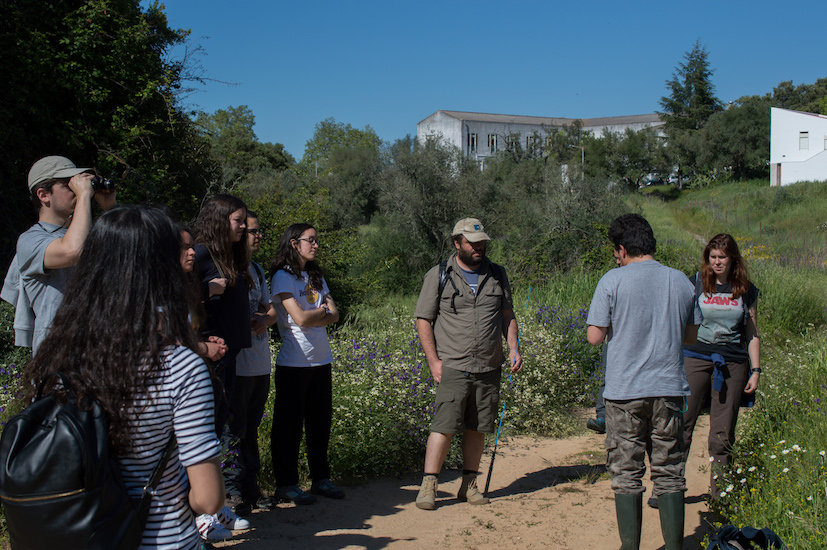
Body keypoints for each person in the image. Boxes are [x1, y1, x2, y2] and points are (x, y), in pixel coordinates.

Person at [23, 205, 224, 549]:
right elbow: (207, 500)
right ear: (163, 268)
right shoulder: (179, 367)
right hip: (161, 539)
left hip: (85, 535)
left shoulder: (62, 355)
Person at [586, 213, 701, 550]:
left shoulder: (612, 281)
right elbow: (691, 338)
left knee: (627, 471)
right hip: (668, 389)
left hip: (624, 392)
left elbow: (595, 337)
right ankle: (675, 545)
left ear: (622, 249)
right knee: (669, 470)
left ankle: (630, 546)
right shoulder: (681, 280)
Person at [414, 217, 522, 511]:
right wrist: (434, 361)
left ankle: (469, 485)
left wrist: (513, 347)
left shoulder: (498, 274)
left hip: (489, 365)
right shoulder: (439, 275)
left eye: (482, 243)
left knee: (478, 427)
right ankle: (429, 486)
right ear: (456, 243)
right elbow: (423, 319)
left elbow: (507, 315)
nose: (479, 248)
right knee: (444, 426)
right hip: (453, 364)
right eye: (473, 243)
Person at [1, 156, 116, 354]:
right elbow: (73, 251)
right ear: (43, 195)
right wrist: (83, 197)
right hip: (58, 358)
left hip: (99, 355)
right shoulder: (30, 240)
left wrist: (111, 208)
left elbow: (135, 254)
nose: (77, 188)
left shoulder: (89, 234)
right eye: (68, 184)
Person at [681, 234, 760, 500]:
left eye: (722, 257)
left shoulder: (745, 289)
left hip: (733, 362)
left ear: (732, 259)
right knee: (682, 422)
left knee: (722, 433)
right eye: (712, 257)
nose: (716, 262)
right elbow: (691, 323)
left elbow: (752, 333)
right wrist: (683, 359)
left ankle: (720, 495)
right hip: (697, 356)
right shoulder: (697, 282)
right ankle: (669, 487)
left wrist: (756, 370)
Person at [270, 223, 343, 505]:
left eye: (316, 240)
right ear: (293, 242)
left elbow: (334, 315)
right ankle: (286, 484)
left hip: (321, 360)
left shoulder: (315, 275)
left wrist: (317, 312)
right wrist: (320, 311)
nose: (315, 245)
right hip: (294, 363)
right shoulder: (282, 277)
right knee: (289, 426)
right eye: (310, 240)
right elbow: (298, 319)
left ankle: (321, 479)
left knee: (320, 423)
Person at [192, 195, 252, 538]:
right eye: (237, 220)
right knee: (202, 430)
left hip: (227, 356)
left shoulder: (227, 255)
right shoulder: (200, 253)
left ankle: (213, 507)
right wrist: (206, 288)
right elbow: (177, 293)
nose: (243, 227)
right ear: (218, 220)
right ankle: (201, 515)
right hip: (207, 355)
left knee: (217, 429)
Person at [226, 212, 277, 515]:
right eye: (252, 231)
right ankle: (231, 492)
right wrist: (251, 321)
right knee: (233, 430)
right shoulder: (227, 269)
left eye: (259, 231)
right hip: (237, 365)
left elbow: (272, 313)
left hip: (260, 364)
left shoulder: (256, 269)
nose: (258, 236)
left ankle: (251, 488)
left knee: (252, 429)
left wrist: (263, 319)